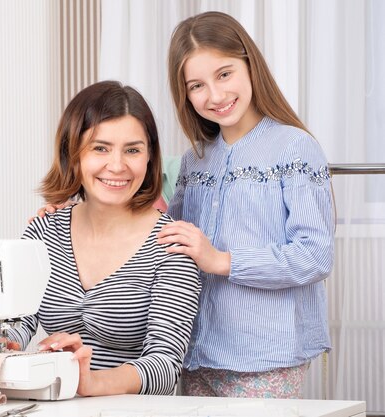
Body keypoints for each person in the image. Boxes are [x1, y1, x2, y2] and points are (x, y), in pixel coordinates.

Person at [0, 80, 201, 396]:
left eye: (132, 150)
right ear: (73, 152)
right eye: (100, 148)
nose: (117, 166)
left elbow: (165, 364)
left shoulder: (171, 247)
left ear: (149, 157)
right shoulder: (43, 233)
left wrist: (90, 383)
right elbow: (19, 325)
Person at [155, 11, 335, 398]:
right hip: (197, 352)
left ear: (249, 65)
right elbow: (169, 239)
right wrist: (74, 213)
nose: (215, 96)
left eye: (224, 74)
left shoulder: (295, 147)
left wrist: (223, 260)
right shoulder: (195, 159)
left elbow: (316, 255)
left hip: (266, 357)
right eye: (196, 85)